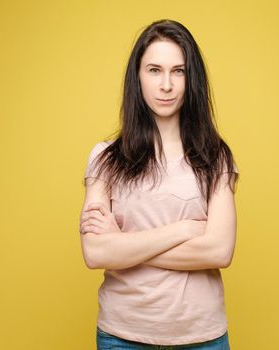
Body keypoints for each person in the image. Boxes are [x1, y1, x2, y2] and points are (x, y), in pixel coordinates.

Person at [79, 19, 239, 349]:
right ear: (137, 78)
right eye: (154, 70)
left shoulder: (216, 156)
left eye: (178, 71)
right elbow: (95, 252)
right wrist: (182, 230)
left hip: (202, 337)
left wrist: (123, 245)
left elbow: (219, 251)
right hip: (122, 337)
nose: (166, 84)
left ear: (190, 79)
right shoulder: (105, 157)